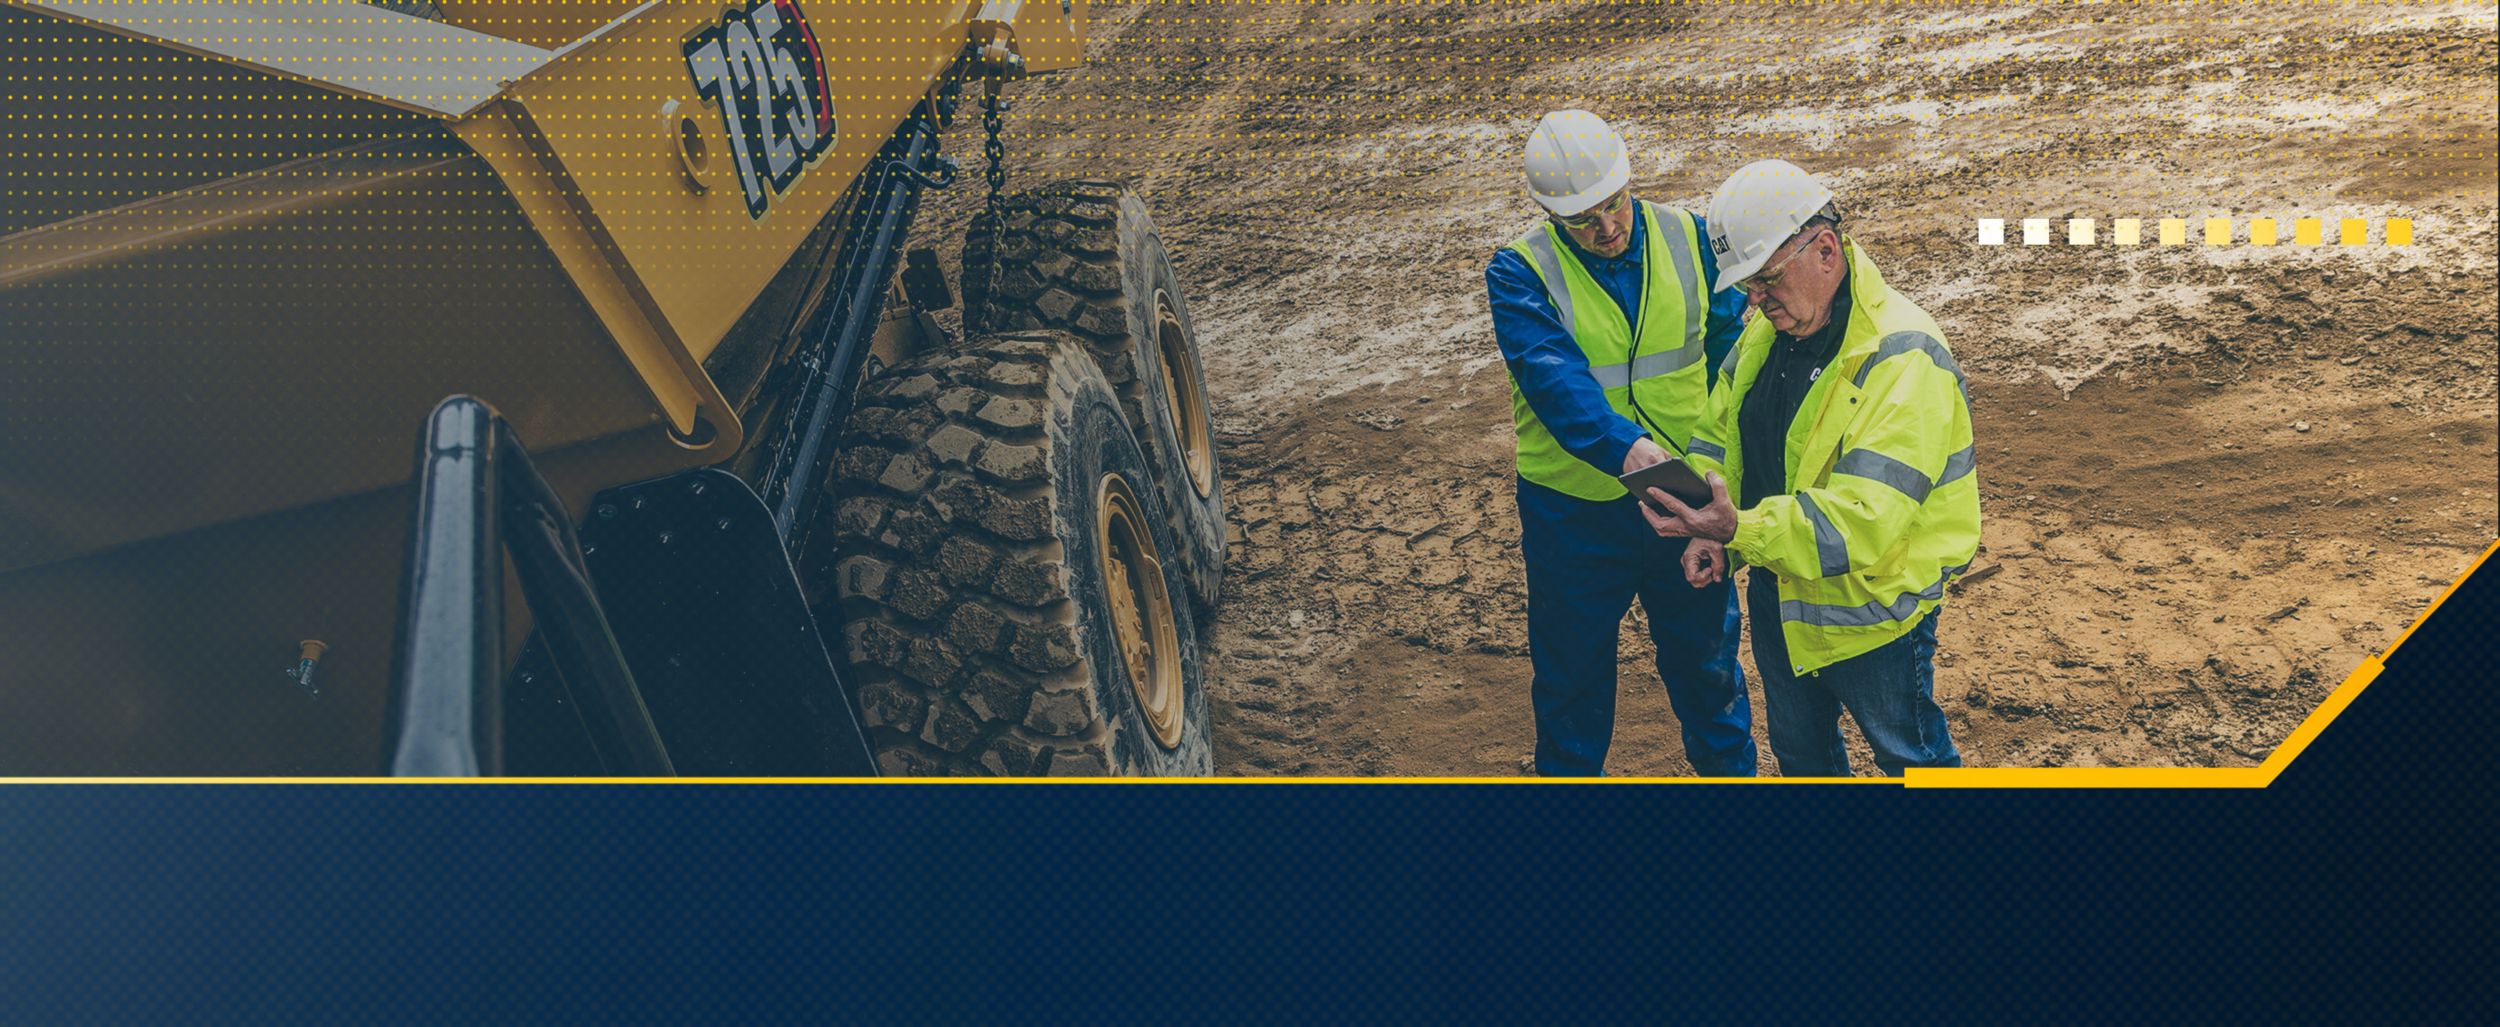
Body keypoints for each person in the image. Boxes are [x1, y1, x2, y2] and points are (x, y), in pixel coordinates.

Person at [1640, 159, 1983, 777]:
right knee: (1802, 758)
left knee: (1912, 759)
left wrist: (1738, 530)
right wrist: (1706, 524)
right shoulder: (1769, 335)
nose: (1754, 299)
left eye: (1767, 279)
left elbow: (1861, 523)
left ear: (1825, 250)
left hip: (1875, 613)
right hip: (1783, 592)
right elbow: (1721, 436)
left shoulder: (1903, 357)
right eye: (1745, 285)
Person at [1486, 110, 1756, 776]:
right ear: (1549, 214)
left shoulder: (1691, 240)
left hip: (1685, 497)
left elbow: (1735, 372)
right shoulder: (1519, 274)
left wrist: (1717, 503)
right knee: (1571, 688)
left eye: (1614, 205)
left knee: (1711, 675)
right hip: (1575, 518)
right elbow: (1558, 387)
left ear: (1629, 182)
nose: (1606, 228)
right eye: (1583, 219)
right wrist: (1639, 457)